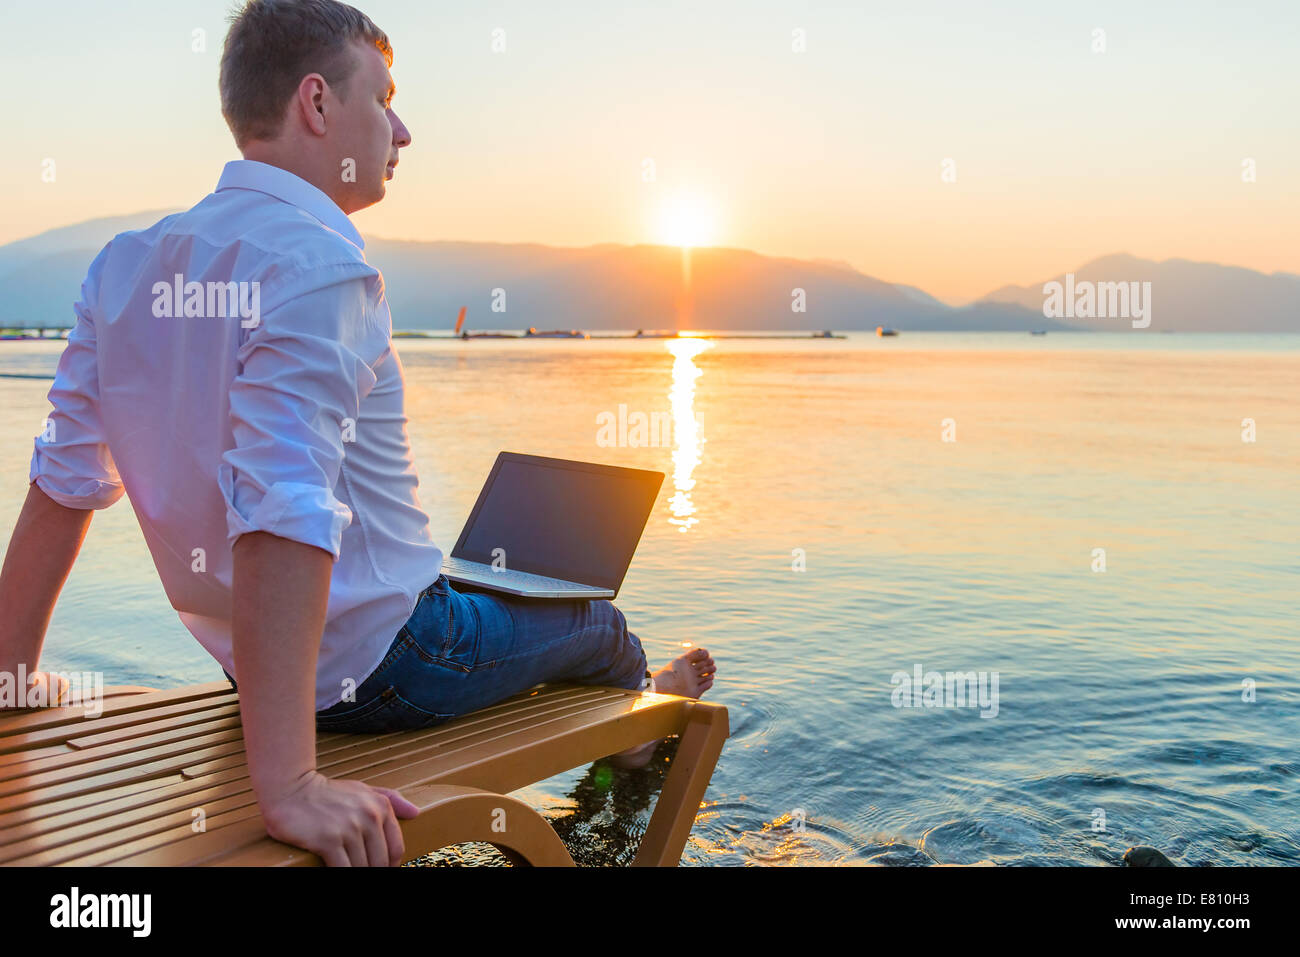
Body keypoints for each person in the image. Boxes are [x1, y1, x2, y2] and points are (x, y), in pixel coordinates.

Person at [0, 0, 715, 867]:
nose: (402, 129)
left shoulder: (123, 264)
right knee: (603, 626)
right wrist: (289, 786)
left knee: (493, 587)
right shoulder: (319, 264)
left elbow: (64, 480)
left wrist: (12, 676)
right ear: (316, 104)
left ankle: (584, 680)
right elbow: (281, 511)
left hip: (250, 664)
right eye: (384, 98)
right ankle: (638, 741)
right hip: (391, 663)